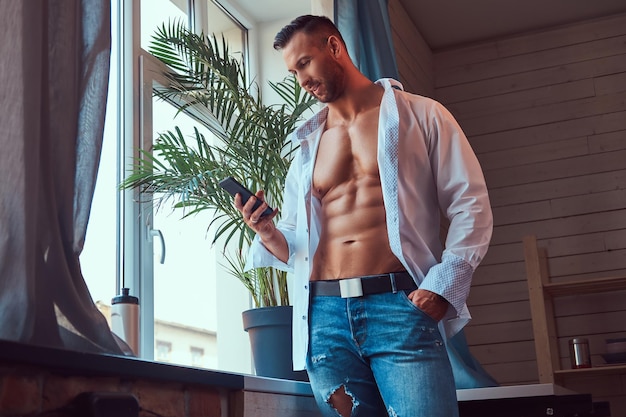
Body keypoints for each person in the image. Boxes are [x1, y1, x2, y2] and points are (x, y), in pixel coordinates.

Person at [234, 15, 493, 417]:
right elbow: (295, 243)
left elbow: (470, 203)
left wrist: (445, 285)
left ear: (334, 47)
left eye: (304, 63)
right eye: (293, 70)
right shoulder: (306, 147)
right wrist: (266, 231)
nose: (300, 79)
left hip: (400, 306)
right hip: (325, 318)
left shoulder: (422, 115)